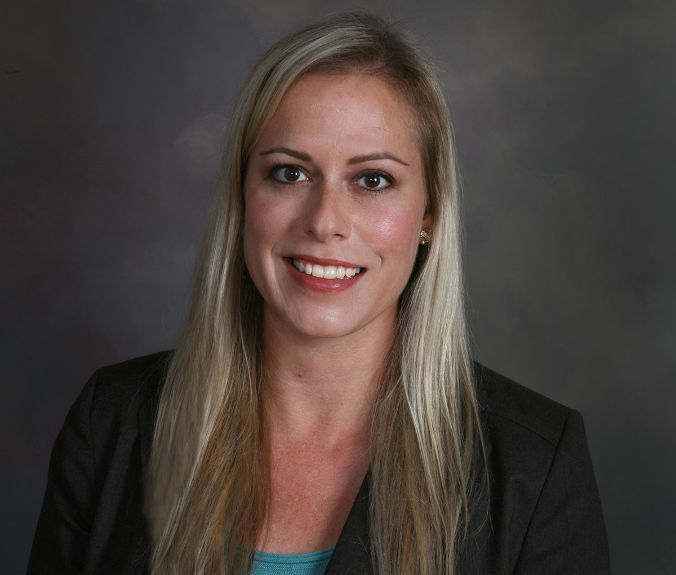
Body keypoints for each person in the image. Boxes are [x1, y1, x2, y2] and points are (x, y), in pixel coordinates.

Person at [28, 12, 611, 575]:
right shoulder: (112, 423)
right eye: (290, 173)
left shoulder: (535, 465)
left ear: (429, 212)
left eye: (373, 180)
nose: (326, 221)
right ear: (242, 195)